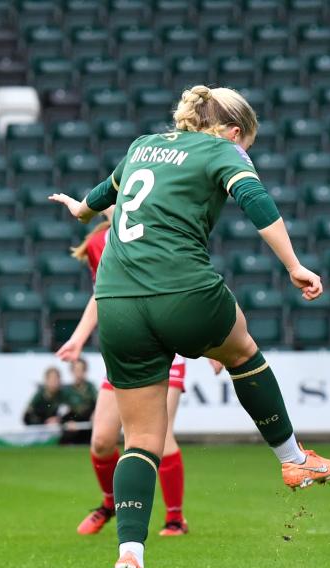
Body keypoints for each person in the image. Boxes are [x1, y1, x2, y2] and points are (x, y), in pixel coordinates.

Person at [49, 85, 330, 568]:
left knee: (141, 442)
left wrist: (78, 209)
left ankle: (131, 556)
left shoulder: (141, 146)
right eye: (246, 142)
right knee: (242, 350)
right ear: (233, 133)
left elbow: (97, 199)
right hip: (183, 289)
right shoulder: (222, 152)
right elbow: (258, 202)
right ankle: (291, 456)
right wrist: (295, 266)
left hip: (116, 302)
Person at [57, 210, 215, 538]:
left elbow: (189, 286)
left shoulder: (164, 231)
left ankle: (175, 518)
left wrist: (212, 343)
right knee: (101, 440)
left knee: (158, 435)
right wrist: (77, 338)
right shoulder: (100, 241)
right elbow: (104, 294)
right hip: (126, 349)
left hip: (165, 344)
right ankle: (110, 503)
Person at [60, 357, 97, 445]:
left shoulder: (91, 388)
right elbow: (61, 410)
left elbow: (99, 403)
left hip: (88, 427)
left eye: (81, 370)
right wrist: (67, 421)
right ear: (72, 371)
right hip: (72, 428)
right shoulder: (66, 390)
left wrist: (95, 413)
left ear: (85, 371)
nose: (78, 373)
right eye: (76, 369)